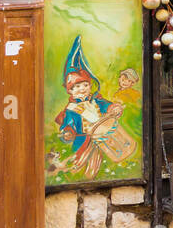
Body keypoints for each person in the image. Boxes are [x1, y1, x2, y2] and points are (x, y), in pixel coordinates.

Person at [54, 37, 137, 180]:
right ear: (70, 91)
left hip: (103, 138)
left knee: (99, 162)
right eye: (77, 87)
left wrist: (113, 108)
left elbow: (106, 105)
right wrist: (68, 133)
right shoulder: (71, 109)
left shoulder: (95, 100)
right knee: (80, 164)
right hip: (84, 141)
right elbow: (69, 124)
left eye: (85, 85)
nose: (82, 89)